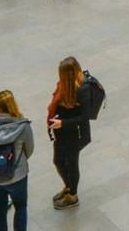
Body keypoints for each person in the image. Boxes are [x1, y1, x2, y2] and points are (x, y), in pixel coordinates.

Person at [0, 89, 34, 231]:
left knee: (0, 211)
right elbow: (29, 150)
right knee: (21, 207)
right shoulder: (23, 126)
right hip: (17, 177)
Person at [46, 57, 91, 210]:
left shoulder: (82, 90)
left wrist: (62, 123)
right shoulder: (64, 86)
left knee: (72, 164)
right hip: (61, 133)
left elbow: (84, 117)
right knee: (58, 161)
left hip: (74, 134)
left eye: (62, 74)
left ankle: (73, 195)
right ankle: (68, 186)